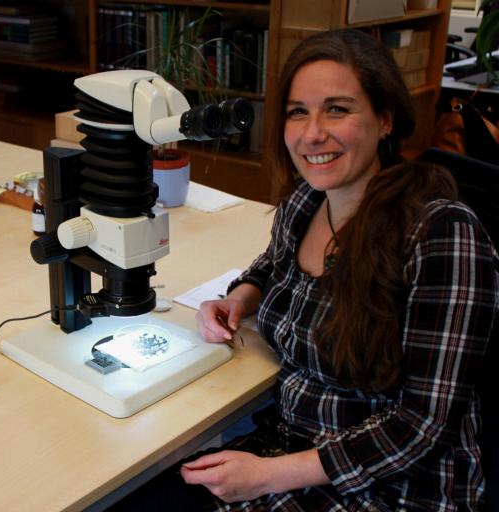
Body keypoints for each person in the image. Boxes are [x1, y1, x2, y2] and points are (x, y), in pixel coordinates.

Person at [111, 29, 499, 511]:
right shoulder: (308, 200)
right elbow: (271, 264)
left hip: (394, 486)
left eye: (337, 108)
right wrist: (240, 298)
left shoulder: (441, 233)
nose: (313, 133)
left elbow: (423, 427)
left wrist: (267, 476)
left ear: (385, 119)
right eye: (299, 112)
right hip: (294, 445)